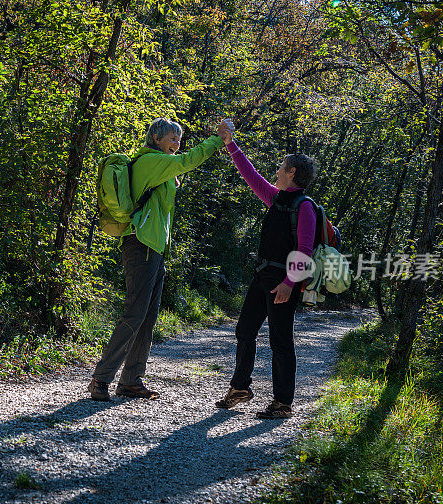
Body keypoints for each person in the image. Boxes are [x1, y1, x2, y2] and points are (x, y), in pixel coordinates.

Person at [88, 118, 225, 401]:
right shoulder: (151, 161)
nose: (177, 143)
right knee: (135, 313)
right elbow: (190, 160)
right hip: (141, 245)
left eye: (179, 139)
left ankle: (131, 380)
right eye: (172, 138)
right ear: (156, 139)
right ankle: (101, 379)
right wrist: (217, 139)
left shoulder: (159, 164)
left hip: (153, 248)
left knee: (147, 318)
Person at [214, 119, 318, 419]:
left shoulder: (305, 206)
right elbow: (251, 174)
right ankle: (240, 388)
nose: (276, 171)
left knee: (280, 341)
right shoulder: (275, 198)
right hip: (262, 277)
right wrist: (230, 143)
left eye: (281, 167)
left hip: (283, 282)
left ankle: (283, 402)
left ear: (292, 172)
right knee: (244, 330)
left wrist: (289, 283)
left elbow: (305, 250)